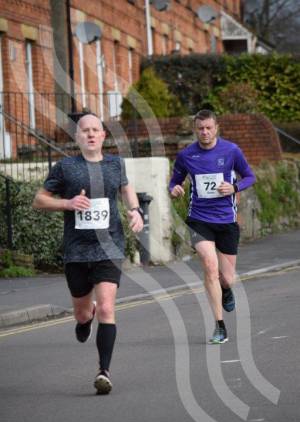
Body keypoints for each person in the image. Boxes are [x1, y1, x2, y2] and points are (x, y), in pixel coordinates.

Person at [33, 113, 143, 394]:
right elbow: (39, 200)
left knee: (107, 307)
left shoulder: (116, 164)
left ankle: (103, 371)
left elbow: (128, 192)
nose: (91, 134)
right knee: (83, 314)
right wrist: (68, 203)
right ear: (78, 137)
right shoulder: (66, 168)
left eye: (96, 130)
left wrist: (135, 211)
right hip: (77, 251)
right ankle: (85, 318)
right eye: (85, 130)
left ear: (104, 136)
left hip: (109, 247)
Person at [169, 110, 256, 344]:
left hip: (226, 220)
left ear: (216, 127)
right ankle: (219, 326)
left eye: (208, 127)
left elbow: (250, 176)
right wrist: (174, 190)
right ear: (195, 129)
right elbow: (174, 181)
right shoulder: (187, 155)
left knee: (227, 278)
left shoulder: (231, 150)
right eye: (200, 128)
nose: (204, 132)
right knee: (209, 265)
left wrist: (234, 187)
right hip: (199, 219)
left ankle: (225, 289)